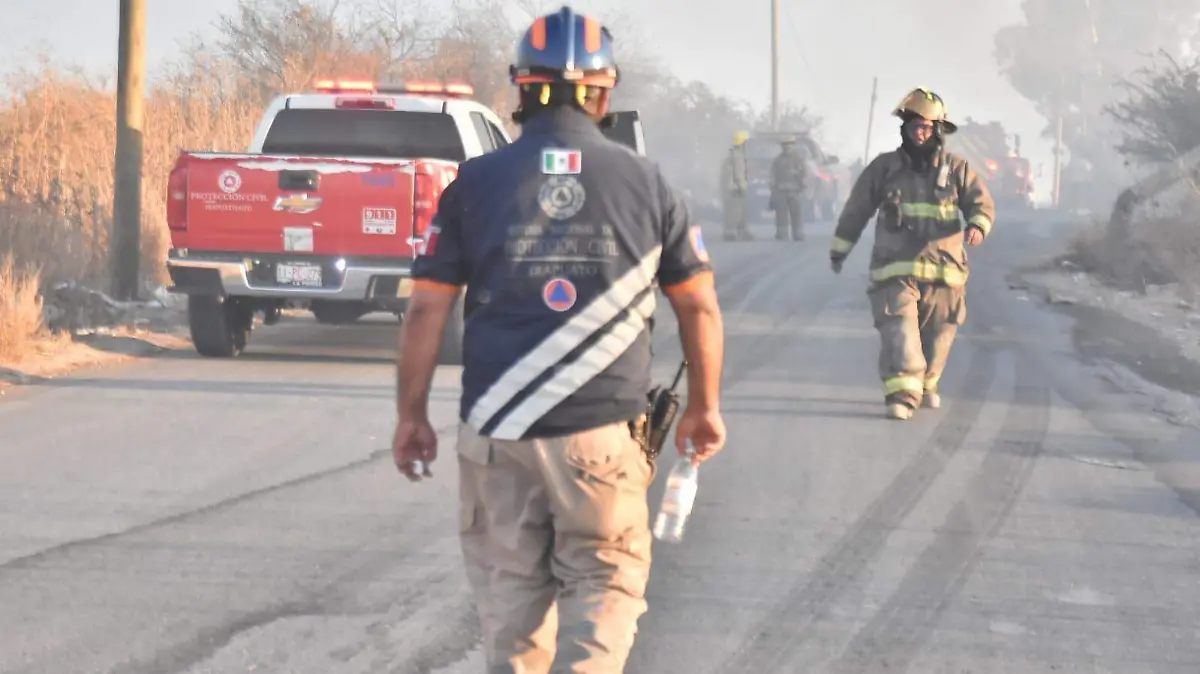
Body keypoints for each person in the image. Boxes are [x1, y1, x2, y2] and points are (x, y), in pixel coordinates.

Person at [390, 5, 728, 672]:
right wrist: (703, 407)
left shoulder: (475, 185)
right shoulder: (649, 183)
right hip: (602, 436)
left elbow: (428, 310)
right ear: (604, 93)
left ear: (522, 89)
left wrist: (410, 417)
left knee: (511, 615)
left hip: (498, 436)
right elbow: (700, 307)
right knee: (604, 590)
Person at [828, 87, 995, 420]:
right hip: (896, 269)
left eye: (928, 126)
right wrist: (840, 248)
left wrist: (977, 226)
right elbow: (857, 209)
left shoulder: (957, 168)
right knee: (901, 331)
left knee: (939, 337)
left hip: (946, 272)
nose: (921, 131)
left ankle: (927, 383)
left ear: (939, 130)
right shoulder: (884, 168)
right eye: (915, 125)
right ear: (904, 127)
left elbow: (980, 202)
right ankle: (903, 395)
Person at [769, 136, 807, 241]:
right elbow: (772, 175)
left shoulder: (799, 159)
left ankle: (798, 233)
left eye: (790, 144)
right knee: (781, 214)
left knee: (797, 213)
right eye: (785, 144)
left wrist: (803, 186)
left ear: (793, 145)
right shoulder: (777, 160)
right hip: (781, 191)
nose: (788, 146)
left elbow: (805, 174)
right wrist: (772, 187)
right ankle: (781, 233)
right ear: (782, 146)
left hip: (795, 191)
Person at [720, 131, 752, 241]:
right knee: (735, 211)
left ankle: (743, 232)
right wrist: (743, 187)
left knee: (738, 211)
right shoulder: (738, 156)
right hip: (735, 189)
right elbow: (739, 174)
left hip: (729, 188)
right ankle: (732, 233)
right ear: (743, 143)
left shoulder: (732, 154)